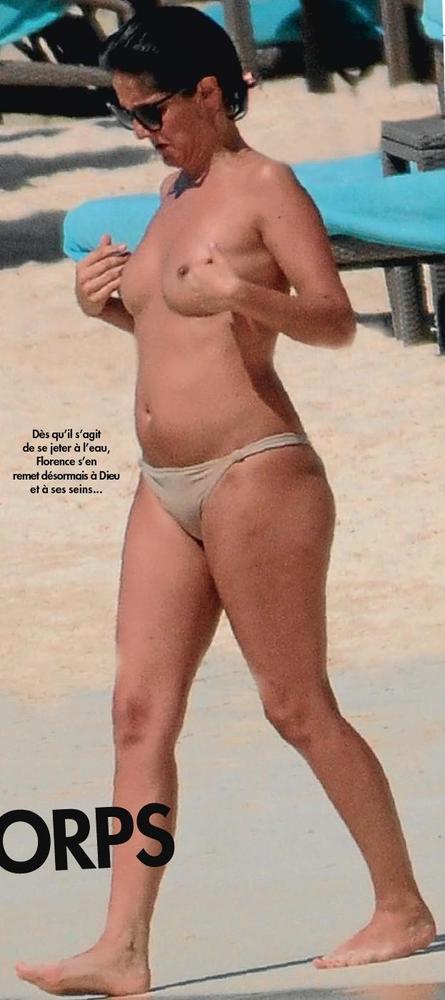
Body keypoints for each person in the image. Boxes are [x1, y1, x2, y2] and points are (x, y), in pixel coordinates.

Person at [16, 2, 435, 994]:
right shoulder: (173, 193)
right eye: (124, 115)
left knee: (294, 705)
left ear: (209, 91)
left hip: (257, 473)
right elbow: (179, 338)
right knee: (137, 713)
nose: (141, 131)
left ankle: (401, 905)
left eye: (151, 111)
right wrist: (107, 308)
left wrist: (243, 294)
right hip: (163, 486)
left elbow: (331, 320)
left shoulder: (266, 187)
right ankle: (122, 947)